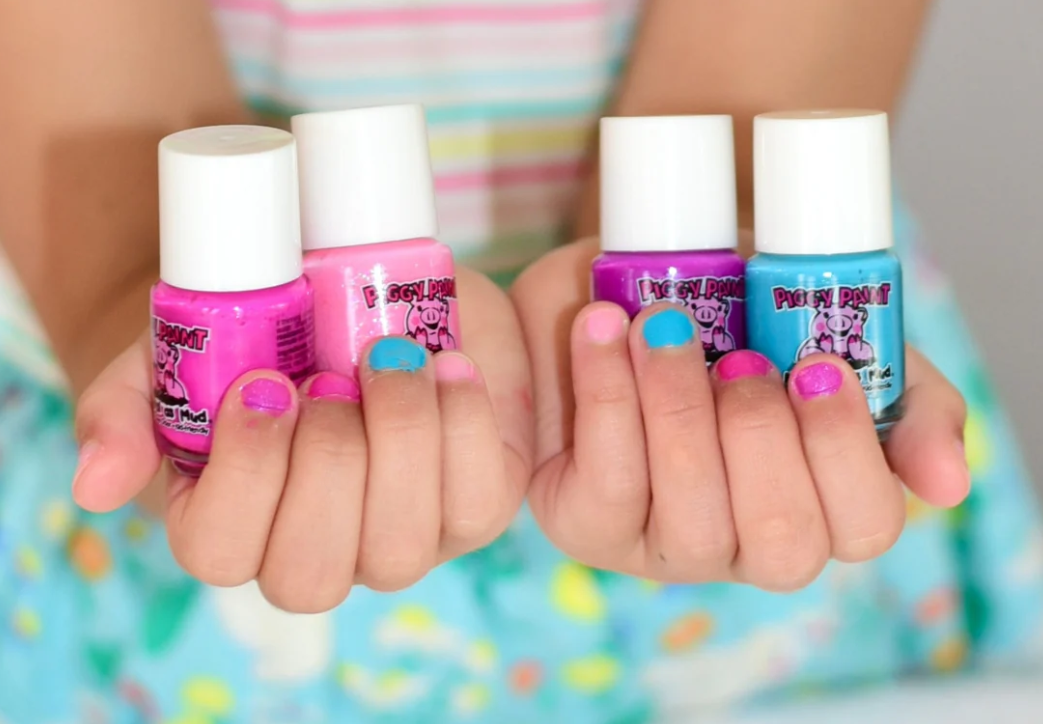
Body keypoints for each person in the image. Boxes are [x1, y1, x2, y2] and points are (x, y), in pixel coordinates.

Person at [1, 1, 1040, 722]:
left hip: (756, 545)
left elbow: (743, 147)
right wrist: (184, 412)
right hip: (184, 622)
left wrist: (651, 328)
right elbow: (138, 228)